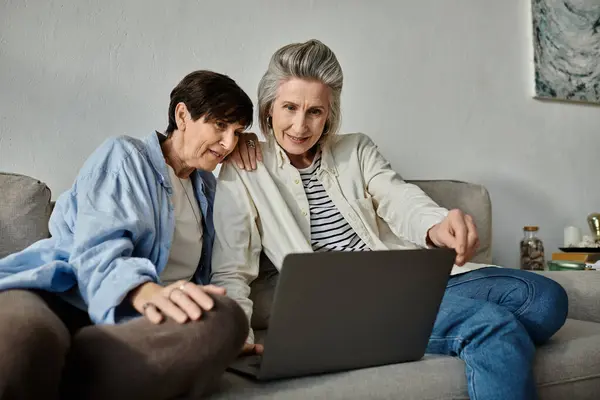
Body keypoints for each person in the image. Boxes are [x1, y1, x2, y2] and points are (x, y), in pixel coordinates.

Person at [211, 40, 568, 400]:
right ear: (269, 107)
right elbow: (232, 268)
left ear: (330, 113)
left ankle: (451, 329)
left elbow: (400, 198)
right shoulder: (245, 167)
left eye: (315, 112)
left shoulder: (356, 149)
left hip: (405, 278)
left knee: (546, 300)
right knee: (493, 326)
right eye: (289, 107)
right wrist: (237, 336)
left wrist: (437, 224)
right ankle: (469, 331)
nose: (301, 126)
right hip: (345, 301)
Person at [0, 70, 261, 400]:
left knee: (226, 318)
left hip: (129, 326)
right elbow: (97, 251)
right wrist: (146, 290)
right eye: (220, 126)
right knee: (21, 344)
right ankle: (53, 354)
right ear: (183, 115)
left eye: (237, 133)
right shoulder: (126, 156)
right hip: (58, 295)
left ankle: (68, 363)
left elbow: (213, 275)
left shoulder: (208, 189)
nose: (229, 143)